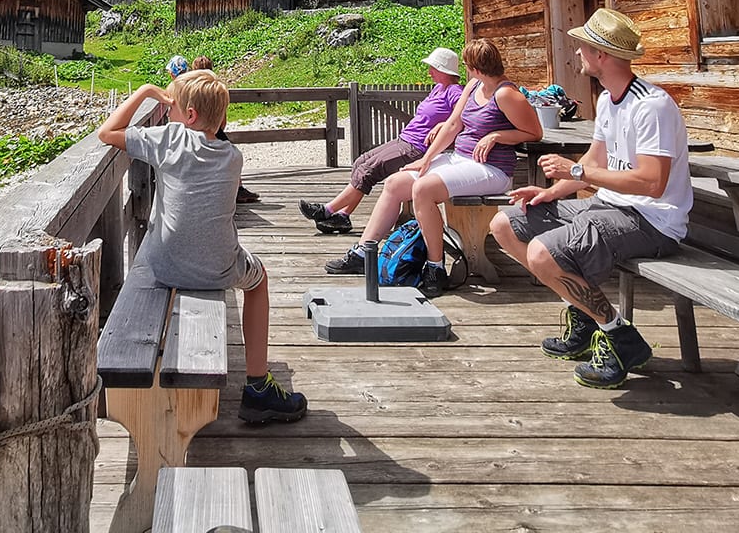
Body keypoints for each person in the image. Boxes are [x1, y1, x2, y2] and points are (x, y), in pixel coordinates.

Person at [488, 9, 693, 388]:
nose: (578, 53)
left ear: (602, 54)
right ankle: (583, 315)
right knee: (506, 223)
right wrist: (550, 192)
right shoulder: (608, 101)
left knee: (543, 253)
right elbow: (594, 161)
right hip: (609, 207)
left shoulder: (652, 106)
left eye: (583, 46)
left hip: (652, 221)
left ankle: (620, 338)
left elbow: (652, 184)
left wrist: (577, 174)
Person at [97, 69, 307, 424]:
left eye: (171, 107)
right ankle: (258, 385)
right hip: (219, 269)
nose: (167, 112)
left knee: (159, 244)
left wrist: (147, 91)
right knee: (258, 280)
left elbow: (107, 132)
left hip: (164, 266)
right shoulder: (232, 156)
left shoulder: (167, 140)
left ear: (189, 115)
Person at [324, 39, 542, 295]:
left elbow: (534, 132)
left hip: (492, 169)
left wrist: (497, 136)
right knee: (395, 183)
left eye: (467, 65)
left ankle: (435, 267)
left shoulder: (506, 94)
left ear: (476, 67)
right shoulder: (474, 86)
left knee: (423, 189)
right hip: (460, 159)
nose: (465, 70)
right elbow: (452, 125)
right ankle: (365, 253)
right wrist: (426, 159)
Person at [298, 47, 464, 234]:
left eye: (433, 67)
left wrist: (442, 125)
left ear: (443, 70)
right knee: (361, 161)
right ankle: (343, 216)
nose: (429, 72)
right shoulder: (439, 88)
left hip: (418, 147)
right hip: (405, 139)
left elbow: (465, 117)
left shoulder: (455, 91)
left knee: (369, 169)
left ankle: (327, 210)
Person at [176, 54, 259, 204]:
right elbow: (223, 118)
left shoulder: (190, 87)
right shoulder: (216, 87)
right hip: (213, 129)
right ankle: (237, 188)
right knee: (227, 155)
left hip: (192, 129)